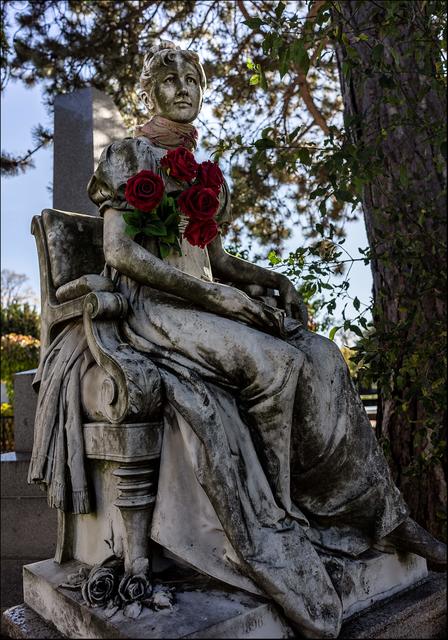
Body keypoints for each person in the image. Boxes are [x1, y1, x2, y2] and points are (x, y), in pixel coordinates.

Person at [30, 41, 446, 639]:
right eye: (168, 78)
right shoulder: (129, 154)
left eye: (193, 76)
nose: (183, 86)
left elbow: (216, 261)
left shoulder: (202, 171)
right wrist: (215, 298)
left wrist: (267, 279)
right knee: (273, 362)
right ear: (147, 92)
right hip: (150, 309)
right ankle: (280, 520)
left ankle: (379, 513)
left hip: (203, 303)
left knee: (323, 354)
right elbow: (121, 252)